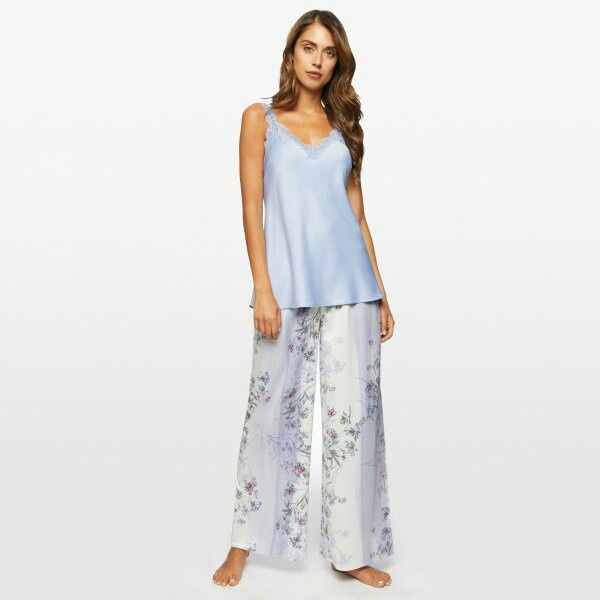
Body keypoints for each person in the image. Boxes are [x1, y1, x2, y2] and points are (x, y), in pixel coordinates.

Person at [212, 9, 395, 589]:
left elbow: (357, 215)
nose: (318, 60)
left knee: (351, 422)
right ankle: (243, 542)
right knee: (270, 415)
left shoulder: (345, 125)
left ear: (339, 62)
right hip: (285, 290)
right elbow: (251, 208)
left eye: (329, 51)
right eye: (309, 47)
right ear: (291, 52)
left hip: (353, 290)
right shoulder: (259, 119)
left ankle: (350, 550)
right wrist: (262, 288)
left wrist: (382, 292)